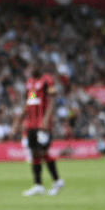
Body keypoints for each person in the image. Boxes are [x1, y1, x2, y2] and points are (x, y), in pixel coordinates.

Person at [13, 60, 64, 196]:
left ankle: (57, 181)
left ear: (39, 67)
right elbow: (30, 101)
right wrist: (19, 119)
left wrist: (46, 120)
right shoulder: (30, 83)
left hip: (43, 124)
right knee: (34, 153)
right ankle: (38, 185)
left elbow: (52, 100)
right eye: (30, 67)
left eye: (33, 66)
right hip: (31, 124)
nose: (31, 69)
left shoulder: (47, 79)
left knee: (43, 152)